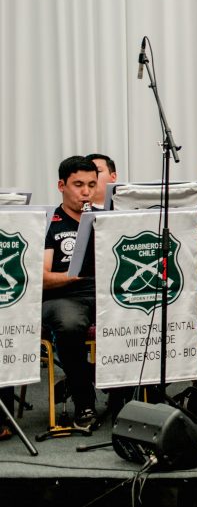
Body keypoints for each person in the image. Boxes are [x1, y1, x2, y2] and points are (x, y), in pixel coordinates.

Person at [42, 156, 99, 430]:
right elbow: (41, 278)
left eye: (91, 184)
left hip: (103, 292)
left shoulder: (106, 218)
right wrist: (75, 274)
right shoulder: (50, 223)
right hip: (63, 296)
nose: (86, 192)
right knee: (69, 324)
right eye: (78, 185)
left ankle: (128, 399)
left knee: (143, 314)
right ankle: (84, 400)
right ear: (61, 185)